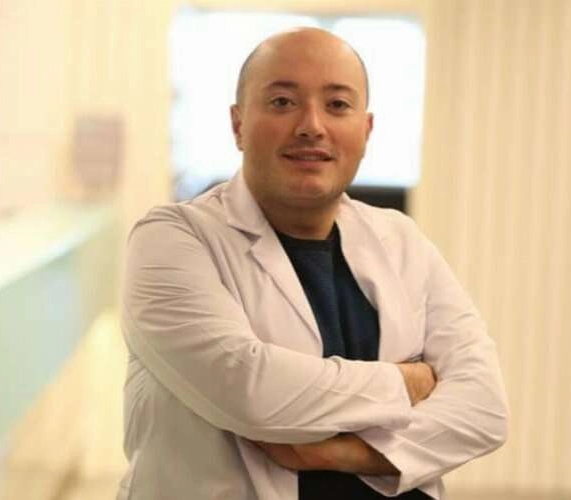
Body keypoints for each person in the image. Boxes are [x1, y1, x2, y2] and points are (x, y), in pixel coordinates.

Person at [118, 27, 508, 500]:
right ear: (238, 125)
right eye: (282, 102)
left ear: (366, 130)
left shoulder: (402, 241)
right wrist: (407, 381)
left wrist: (344, 454)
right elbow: (251, 390)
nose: (312, 126)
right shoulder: (173, 238)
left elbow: (484, 407)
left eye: (337, 105)